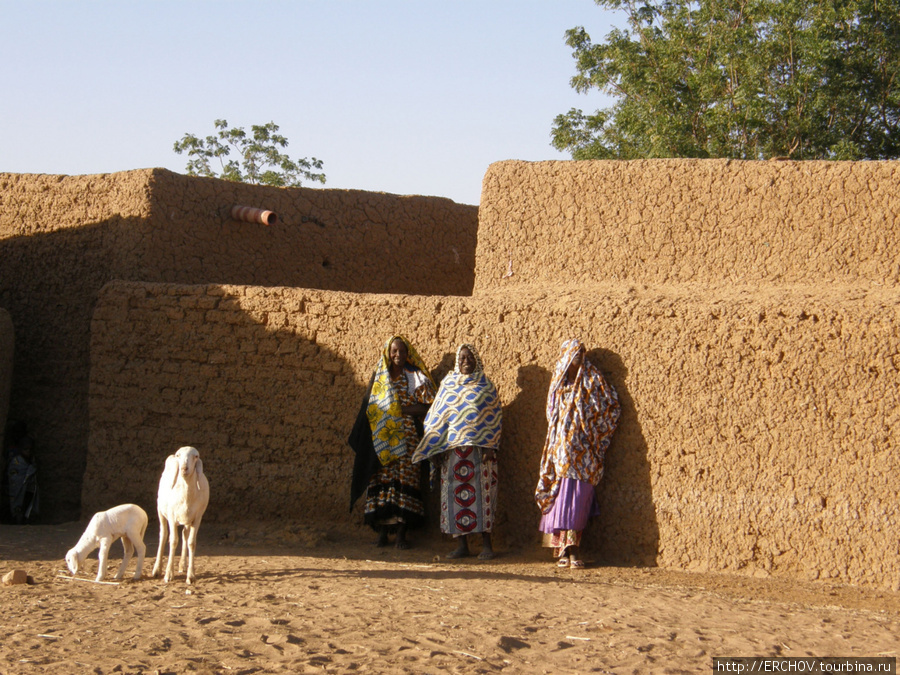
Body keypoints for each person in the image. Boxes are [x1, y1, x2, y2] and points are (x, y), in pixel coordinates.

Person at [534, 338, 621, 568]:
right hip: (560, 454)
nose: (577, 358)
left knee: (578, 502)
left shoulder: (592, 379)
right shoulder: (558, 381)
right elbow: (552, 416)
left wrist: (592, 431)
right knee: (559, 500)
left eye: (580, 354)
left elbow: (611, 406)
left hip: (584, 454)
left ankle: (575, 550)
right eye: (573, 354)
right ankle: (562, 551)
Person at [412, 343, 501, 560]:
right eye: (462, 358)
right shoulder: (449, 385)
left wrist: (491, 444)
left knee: (483, 498)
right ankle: (462, 545)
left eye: (470, 357)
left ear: (477, 360)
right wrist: (435, 447)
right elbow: (436, 416)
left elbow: (495, 416)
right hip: (453, 454)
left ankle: (486, 545)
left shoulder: (486, 386)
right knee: (456, 499)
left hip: (479, 453)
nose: (466, 361)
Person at [349, 335, 436, 549]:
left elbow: (429, 406)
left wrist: (401, 411)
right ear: (388, 353)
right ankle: (381, 533)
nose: (398, 355)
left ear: (409, 354)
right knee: (382, 481)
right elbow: (370, 409)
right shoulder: (381, 378)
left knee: (405, 482)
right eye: (394, 351)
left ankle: (400, 535)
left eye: (402, 351)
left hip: (407, 439)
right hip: (382, 441)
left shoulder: (415, 377)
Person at [6, 420, 39, 525]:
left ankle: (25, 519)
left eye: (30, 449)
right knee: (16, 503)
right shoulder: (16, 460)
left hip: (28, 488)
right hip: (17, 487)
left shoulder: (31, 460)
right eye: (25, 449)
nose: (28, 452)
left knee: (27, 504)